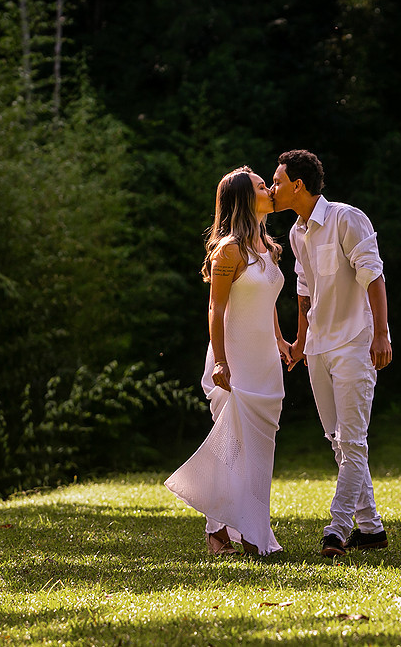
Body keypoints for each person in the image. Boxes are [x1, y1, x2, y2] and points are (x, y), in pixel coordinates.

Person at [270, 149, 393, 557]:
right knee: (337, 440)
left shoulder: (347, 218)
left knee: (353, 441)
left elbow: (373, 276)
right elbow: (304, 290)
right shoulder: (296, 233)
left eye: (277, 182)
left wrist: (381, 335)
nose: (273, 189)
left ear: (298, 185)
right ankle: (371, 528)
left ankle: (338, 528)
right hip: (320, 347)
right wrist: (301, 341)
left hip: (356, 342)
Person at [165, 166, 290, 556]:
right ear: (243, 199)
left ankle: (249, 530)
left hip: (265, 360)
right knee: (231, 447)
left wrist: (281, 339)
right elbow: (216, 308)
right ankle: (223, 532)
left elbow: (265, 299)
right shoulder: (229, 250)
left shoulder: (267, 247)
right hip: (233, 362)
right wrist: (220, 361)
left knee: (260, 448)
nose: (269, 189)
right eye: (260, 186)